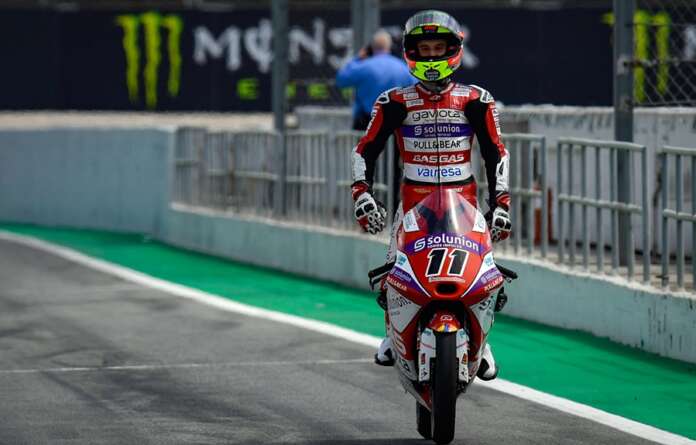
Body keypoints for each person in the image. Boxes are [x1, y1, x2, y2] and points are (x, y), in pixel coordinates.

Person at [350, 10, 512, 381]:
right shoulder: (393, 101)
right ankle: (393, 333)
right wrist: (361, 195)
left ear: (453, 50)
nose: (432, 56)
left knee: (486, 274)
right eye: (424, 49)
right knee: (393, 271)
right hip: (412, 206)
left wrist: (501, 204)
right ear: (411, 52)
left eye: (439, 48)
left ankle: (483, 343)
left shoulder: (477, 99)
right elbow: (364, 150)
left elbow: (497, 153)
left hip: (464, 206)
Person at [336, 30, 415, 130]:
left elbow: (341, 80)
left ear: (371, 47)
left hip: (367, 122)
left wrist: (357, 59)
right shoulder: (402, 67)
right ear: (389, 46)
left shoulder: (364, 66)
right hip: (396, 123)